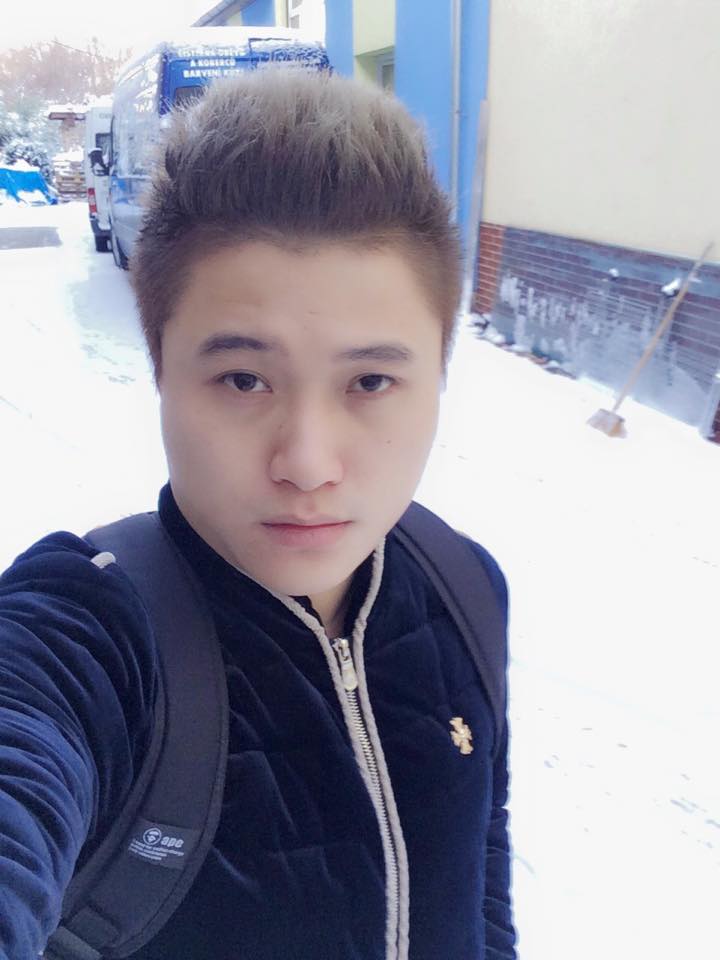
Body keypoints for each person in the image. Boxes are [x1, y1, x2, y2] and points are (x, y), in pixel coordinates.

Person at [0, 68, 516, 960]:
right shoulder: (90, 635)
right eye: (243, 379)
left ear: (439, 377)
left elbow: (483, 883)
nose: (307, 464)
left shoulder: (466, 586)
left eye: (371, 381)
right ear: (162, 373)